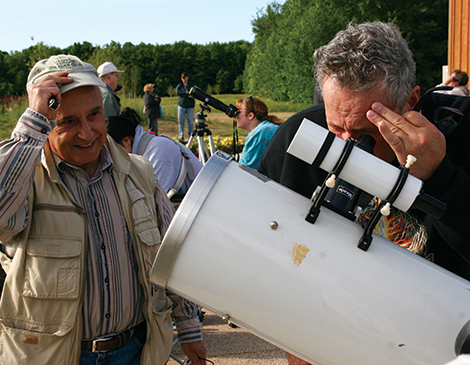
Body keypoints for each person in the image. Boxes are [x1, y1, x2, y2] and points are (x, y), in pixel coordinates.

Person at [257, 22, 470, 364]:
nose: (344, 149)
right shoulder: (299, 140)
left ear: (410, 101)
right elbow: (263, 244)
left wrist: (440, 177)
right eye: (334, 127)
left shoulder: (461, 138)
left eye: (362, 133)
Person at [0, 54, 207, 365]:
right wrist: (32, 122)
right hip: (53, 356)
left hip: (135, 351)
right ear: (45, 122)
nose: (87, 132)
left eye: (94, 115)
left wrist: (189, 326)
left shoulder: (138, 173)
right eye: (68, 121)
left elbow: (171, 253)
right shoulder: (25, 178)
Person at [107, 107, 203, 203]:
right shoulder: (144, 149)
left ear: (126, 140)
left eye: (112, 151)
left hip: (203, 203)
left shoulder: (158, 151)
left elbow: (154, 204)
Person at [235, 96, 283, 169]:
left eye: (238, 111)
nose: (235, 115)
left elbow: (245, 168)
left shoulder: (260, 132)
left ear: (250, 115)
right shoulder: (265, 128)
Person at [176, 72, 195, 142]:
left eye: (185, 77)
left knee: (190, 122)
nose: (184, 79)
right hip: (181, 105)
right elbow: (178, 92)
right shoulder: (179, 86)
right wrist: (187, 94)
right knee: (181, 122)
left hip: (190, 106)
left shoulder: (191, 85)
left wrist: (184, 94)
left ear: (187, 77)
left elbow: (193, 93)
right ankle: (181, 136)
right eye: (182, 78)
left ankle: (191, 136)